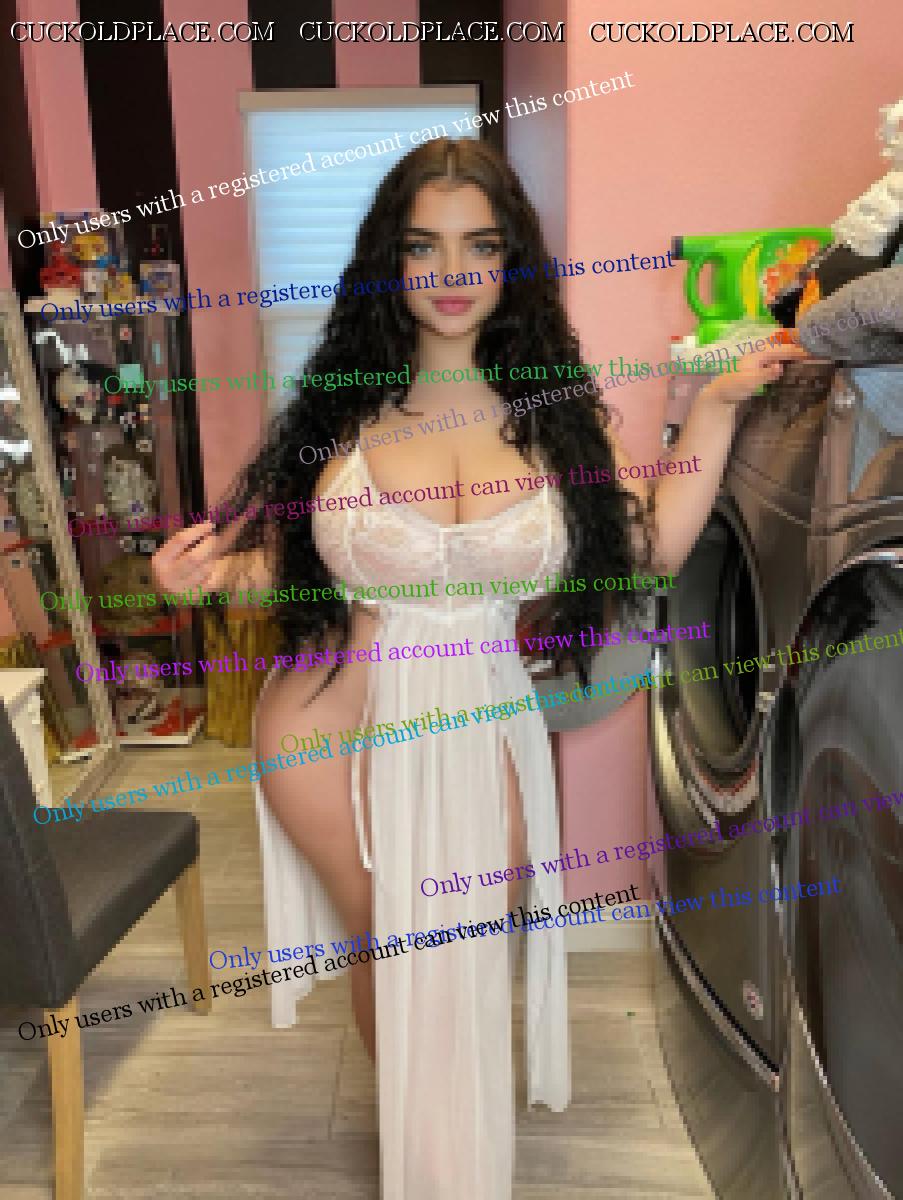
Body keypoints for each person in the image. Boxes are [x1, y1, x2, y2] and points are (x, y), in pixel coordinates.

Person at [152, 137, 807, 1197]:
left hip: (478, 719)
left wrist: (719, 406)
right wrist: (199, 576)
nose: (451, 273)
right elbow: (286, 564)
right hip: (329, 725)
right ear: (390, 262)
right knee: (387, 943)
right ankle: (431, 1165)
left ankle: (444, 1158)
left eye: (480, 246)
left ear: (512, 262)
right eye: (423, 247)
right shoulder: (343, 412)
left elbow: (654, 548)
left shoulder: (556, 425)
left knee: (459, 943)